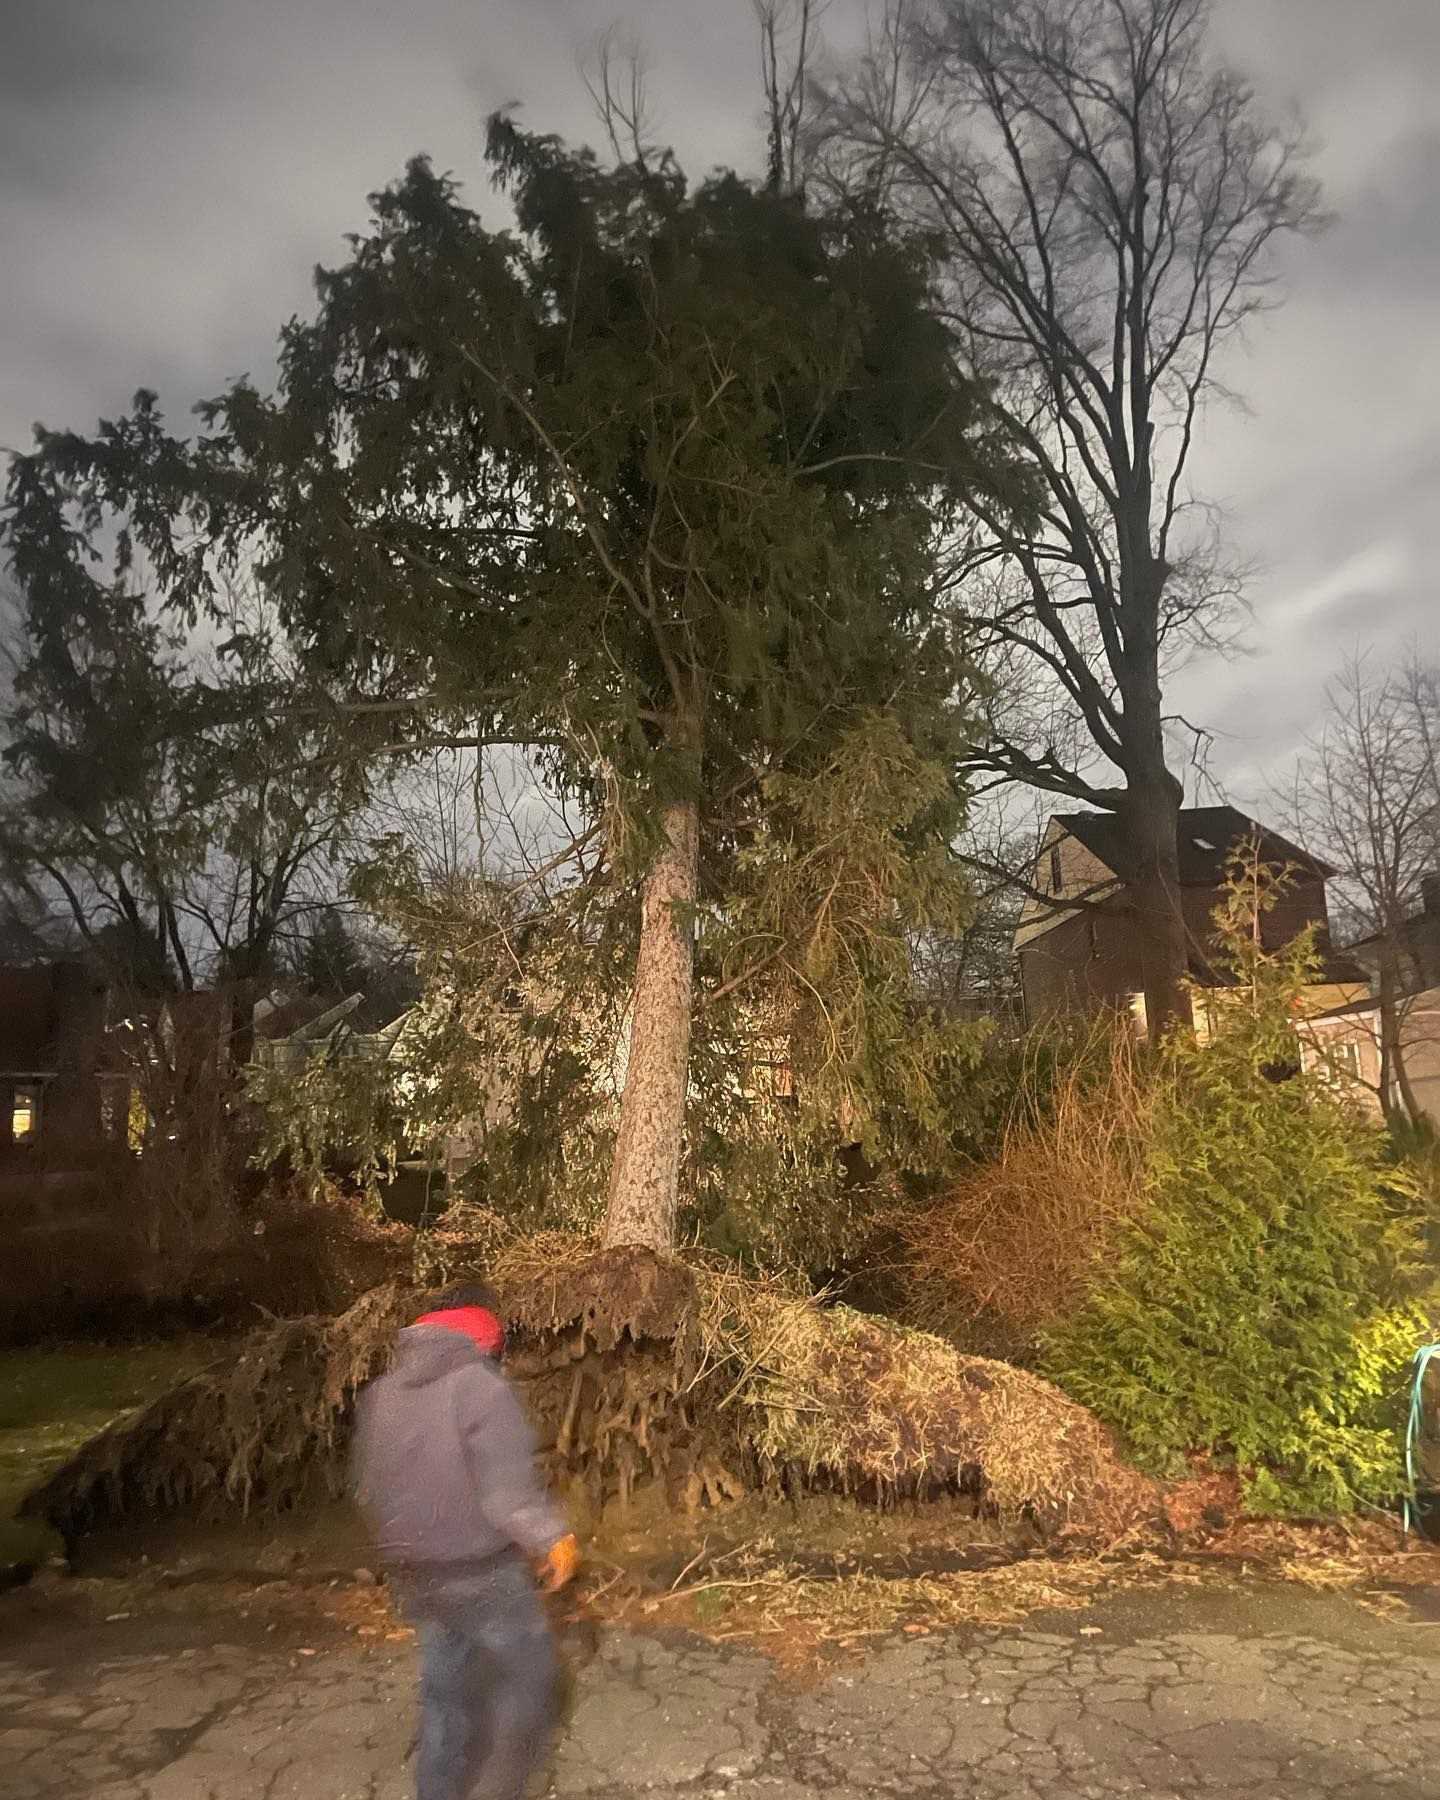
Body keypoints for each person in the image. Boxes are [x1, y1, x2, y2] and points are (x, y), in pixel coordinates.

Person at [352, 1282, 579, 1800]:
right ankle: (505, 1789)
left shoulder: (382, 1394)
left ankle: (436, 1791)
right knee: (533, 1675)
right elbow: (505, 1498)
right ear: (486, 1339)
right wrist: (554, 1537)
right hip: (480, 1573)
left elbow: (368, 1488)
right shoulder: (481, 1389)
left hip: (415, 1576)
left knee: (443, 1691)